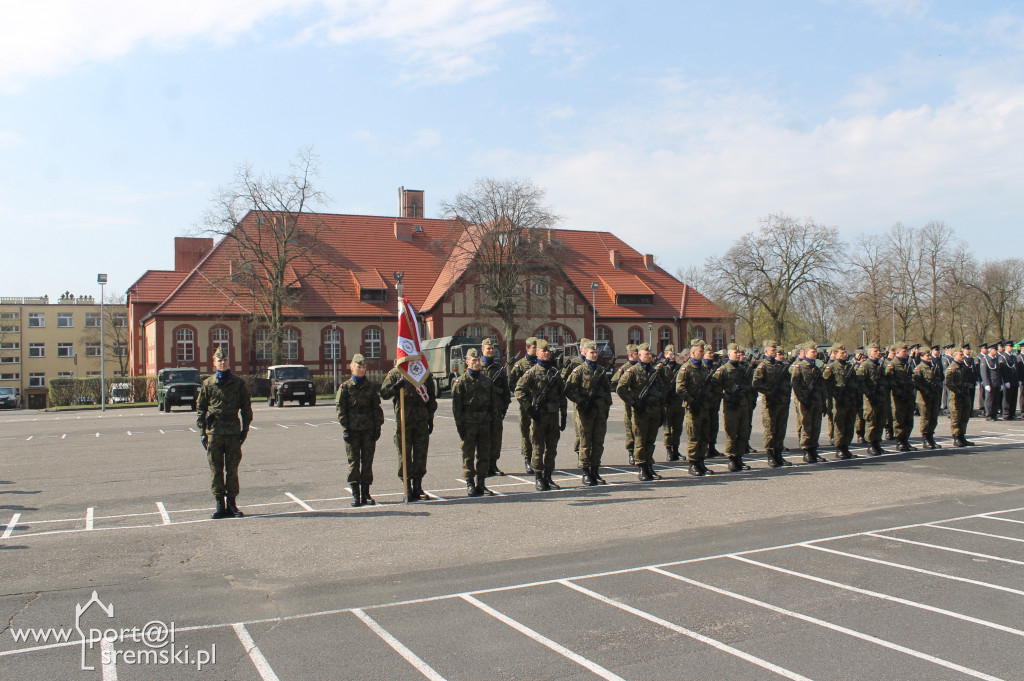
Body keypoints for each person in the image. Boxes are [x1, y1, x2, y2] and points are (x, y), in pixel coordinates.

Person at [196, 347, 253, 519]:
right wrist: (202, 433)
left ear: (229, 362)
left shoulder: (238, 383)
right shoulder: (208, 384)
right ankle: (219, 504)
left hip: (232, 432)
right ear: (214, 363)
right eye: (219, 360)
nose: (222, 363)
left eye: (225, 360)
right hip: (214, 432)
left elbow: (246, 407)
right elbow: (201, 409)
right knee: (216, 469)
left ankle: (232, 504)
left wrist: (245, 429)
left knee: (232, 469)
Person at [380, 364, 438, 501]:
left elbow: (431, 398)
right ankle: (407, 487)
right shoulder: (396, 373)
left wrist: (430, 419)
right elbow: (384, 393)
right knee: (404, 456)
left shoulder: (423, 372)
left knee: (420, 455)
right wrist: (395, 387)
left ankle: (418, 486)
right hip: (403, 422)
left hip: (421, 422)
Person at [515, 338, 567, 491]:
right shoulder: (531, 372)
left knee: (552, 449)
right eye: (543, 351)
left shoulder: (555, 373)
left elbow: (562, 395)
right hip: (538, 417)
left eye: (548, 351)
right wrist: (529, 408)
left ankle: (548, 476)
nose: (547, 353)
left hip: (553, 416)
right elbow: (519, 391)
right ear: (537, 353)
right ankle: (538, 477)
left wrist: (563, 415)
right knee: (538, 448)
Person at [335, 354, 385, 507]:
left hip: (368, 431)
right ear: (352, 368)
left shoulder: (370, 387)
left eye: (364, 367)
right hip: (353, 431)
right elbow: (340, 410)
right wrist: (345, 428)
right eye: (359, 367)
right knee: (354, 463)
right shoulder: (345, 387)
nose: (362, 370)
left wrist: (378, 427)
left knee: (367, 462)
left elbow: (376, 408)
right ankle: (355, 494)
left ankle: (366, 493)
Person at [616, 343, 669, 481]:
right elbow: (620, 388)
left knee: (650, 441)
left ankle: (649, 465)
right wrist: (633, 402)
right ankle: (642, 468)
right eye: (646, 354)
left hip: (655, 411)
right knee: (640, 441)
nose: (649, 356)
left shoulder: (655, 372)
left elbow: (662, 392)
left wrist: (662, 411)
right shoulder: (632, 371)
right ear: (639, 355)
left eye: (650, 354)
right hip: (641, 412)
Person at [564, 340, 612, 485]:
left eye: (596, 352)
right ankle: (585, 471)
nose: (595, 355)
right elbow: (568, 389)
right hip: (585, 412)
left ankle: (595, 471)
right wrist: (581, 401)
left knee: (598, 442)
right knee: (585, 442)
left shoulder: (601, 370)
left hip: (599, 411)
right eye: (592, 352)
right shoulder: (578, 371)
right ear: (585, 353)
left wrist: (606, 407)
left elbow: (607, 391)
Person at [452, 349, 499, 497]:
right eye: (473, 361)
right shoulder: (461, 382)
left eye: (478, 360)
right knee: (468, 455)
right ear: (467, 362)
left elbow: (493, 404)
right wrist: (459, 425)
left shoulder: (487, 381)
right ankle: (470, 483)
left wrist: (493, 422)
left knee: (484, 454)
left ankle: (481, 483)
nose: (477, 363)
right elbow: (456, 407)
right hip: (469, 423)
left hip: (485, 422)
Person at [676, 339, 716, 477]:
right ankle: (693, 463)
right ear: (693, 352)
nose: (703, 353)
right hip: (693, 408)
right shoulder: (686, 368)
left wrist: (708, 396)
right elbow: (680, 389)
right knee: (694, 437)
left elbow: (710, 386)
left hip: (704, 407)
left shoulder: (704, 368)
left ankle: (701, 462)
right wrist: (692, 401)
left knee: (705, 436)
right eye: (700, 351)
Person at [714, 343, 754, 472]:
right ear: (729, 354)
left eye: (738, 353)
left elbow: (750, 386)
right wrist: (727, 397)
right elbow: (715, 387)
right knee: (732, 433)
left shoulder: (742, 370)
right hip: (731, 405)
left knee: (743, 432)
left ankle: (739, 458)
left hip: (743, 404)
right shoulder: (723, 370)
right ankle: (732, 458)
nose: (737, 354)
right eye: (735, 352)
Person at [752, 339, 792, 467]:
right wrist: (768, 392)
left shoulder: (780, 366)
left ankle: (778, 454)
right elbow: (756, 383)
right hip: (770, 402)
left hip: (781, 401)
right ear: (767, 351)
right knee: (770, 429)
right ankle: (770, 455)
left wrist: (783, 391)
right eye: (773, 350)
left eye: (776, 349)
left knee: (781, 428)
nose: (775, 352)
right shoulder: (763, 366)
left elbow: (787, 383)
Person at [480, 338, 511, 476]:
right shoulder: (477, 366)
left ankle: (493, 464)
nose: (491, 350)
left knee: (496, 437)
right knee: (482, 438)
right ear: (483, 350)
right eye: (488, 348)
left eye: (492, 348)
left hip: (496, 409)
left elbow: (505, 389)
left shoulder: (499, 367)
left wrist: (504, 407)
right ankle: (483, 465)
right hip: (482, 410)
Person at [822, 343, 859, 460]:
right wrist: (835, 394)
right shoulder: (831, 367)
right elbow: (826, 383)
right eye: (842, 353)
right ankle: (839, 448)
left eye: (845, 352)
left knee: (849, 423)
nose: (845, 354)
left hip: (850, 399)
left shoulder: (849, 367)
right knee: (840, 424)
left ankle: (846, 446)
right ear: (836, 354)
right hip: (838, 400)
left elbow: (855, 383)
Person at [791, 341, 827, 463]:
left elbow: (822, 387)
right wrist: (801, 399)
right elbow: (795, 384)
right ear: (806, 352)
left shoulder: (816, 368)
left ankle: (814, 450)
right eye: (813, 351)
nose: (815, 354)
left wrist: (824, 403)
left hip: (816, 402)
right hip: (805, 402)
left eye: (816, 352)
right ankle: (806, 451)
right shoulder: (800, 367)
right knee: (807, 426)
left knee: (816, 426)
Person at [508, 337, 538, 473]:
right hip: (526, 404)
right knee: (526, 433)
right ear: (527, 348)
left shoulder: (542, 363)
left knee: (537, 433)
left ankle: (537, 459)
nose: (536, 350)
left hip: (539, 404)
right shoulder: (520, 365)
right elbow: (512, 384)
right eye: (534, 347)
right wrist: (523, 396)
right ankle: (527, 459)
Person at [857, 342, 889, 456]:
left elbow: (886, 380)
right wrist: (869, 393)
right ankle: (871, 444)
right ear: (870, 353)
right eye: (875, 351)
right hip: (870, 398)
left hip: (881, 397)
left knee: (880, 421)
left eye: (878, 350)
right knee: (872, 421)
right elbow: (861, 382)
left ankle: (877, 443)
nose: (878, 352)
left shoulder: (881, 365)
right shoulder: (865, 365)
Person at [886, 342, 918, 452]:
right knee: (899, 419)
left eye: (907, 351)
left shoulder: (907, 364)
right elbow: (890, 380)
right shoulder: (892, 364)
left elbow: (911, 378)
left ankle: (906, 440)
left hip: (908, 395)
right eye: (904, 351)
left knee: (908, 419)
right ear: (898, 352)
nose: (907, 353)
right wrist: (900, 391)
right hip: (898, 396)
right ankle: (899, 441)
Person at [611, 344, 639, 464]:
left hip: (642, 402)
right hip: (630, 403)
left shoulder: (640, 367)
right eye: (637, 353)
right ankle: (631, 452)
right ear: (632, 354)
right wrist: (627, 395)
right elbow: (614, 383)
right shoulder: (625, 368)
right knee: (630, 427)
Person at [561, 338, 589, 460]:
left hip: (590, 400)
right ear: (582, 349)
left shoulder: (593, 363)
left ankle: (588, 454)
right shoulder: (574, 362)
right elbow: (564, 378)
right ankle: (580, 452)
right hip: (578, 399)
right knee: (580, 428)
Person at [913, 348, 943, 449]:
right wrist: (926, 391)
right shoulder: (919, 368)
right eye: (927, 356)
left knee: (933, 418)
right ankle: (925, 439)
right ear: (921, 357)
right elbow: (917, 383)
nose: (929, 357)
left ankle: (931, 437)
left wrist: (937, 384)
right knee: (926, 419)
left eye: (930, 355)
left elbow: (940, 378)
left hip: (934, 396)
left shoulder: (933, 367)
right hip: (924, 398)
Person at [945, 347, 975, 447]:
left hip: (964, 394)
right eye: (960, 355)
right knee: (956, 417)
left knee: (964, 415)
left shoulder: (962, 367)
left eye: (962, 354)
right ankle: (956, 437)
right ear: (955, 356)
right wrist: (958, 391)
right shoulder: (952, 368)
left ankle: (962, 436)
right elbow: (948, 383)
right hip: (956, 396)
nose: (962, 356)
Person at [660, 345, 685, 462]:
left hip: (678, 402)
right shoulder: (661, 368)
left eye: (674, 354)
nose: (673, 356)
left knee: (677, 428)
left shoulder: (680, 368)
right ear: (665, 355)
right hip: (667, 403)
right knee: (667, 430)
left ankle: (676, 450)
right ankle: (669, 450)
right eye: (670, 354)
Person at [979, 342, 1002, 420]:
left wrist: (1001, 383)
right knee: (989, 400)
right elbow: (984, 373)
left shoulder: (995, 359)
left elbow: (999, 372)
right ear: (991, 350)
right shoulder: (985, 359)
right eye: (995, 350)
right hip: (990, 383)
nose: (996, 351)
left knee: (996, 399)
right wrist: (986, 384)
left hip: (997, 383)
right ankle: (988, 414)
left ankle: (994, 414)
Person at [999, 341, 1019, 420]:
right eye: (1010, 346)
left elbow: (1016, 369)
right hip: (1007, 380)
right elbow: (1003, 370)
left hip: (1014, 380)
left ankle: (1012, 413)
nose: (1011, 348)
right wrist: (1005, 381)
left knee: (1014, 398)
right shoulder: (1003, 357)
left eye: (1012, 346)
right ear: (1006, 347)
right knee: (1007, 398)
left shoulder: (1014, 357)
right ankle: (1006, 414)